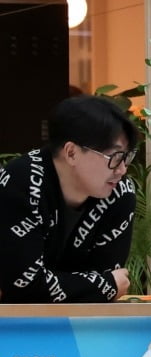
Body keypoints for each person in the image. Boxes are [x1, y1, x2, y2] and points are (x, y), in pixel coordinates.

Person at [0, 95, 137, 302]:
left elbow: (106, 286)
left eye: (127, 157)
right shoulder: (21, 183)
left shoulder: (120, 192)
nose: (122, 169)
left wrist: (101, 285)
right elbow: (24, 287)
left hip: (80, 327)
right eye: (115, 157)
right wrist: (102, 285)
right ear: (71, 152)